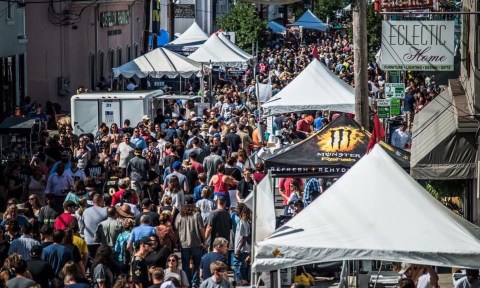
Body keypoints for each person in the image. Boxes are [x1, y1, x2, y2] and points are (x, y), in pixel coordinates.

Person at [175, 196, 205, 287]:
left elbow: (176, 228)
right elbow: (201, 228)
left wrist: (177, 241)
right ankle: (194, 283)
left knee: (185, 265)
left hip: (184, 243)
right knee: (197, 264)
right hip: (196, 242)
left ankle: (187, 282)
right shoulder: (197, 214)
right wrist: (204, 240)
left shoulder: (180, 215)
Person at [79, 194, 107, 260]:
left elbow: (82, 225)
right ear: (100, 201)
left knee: (91, 260)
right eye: (103, 201)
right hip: (100, 242)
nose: (104, 203)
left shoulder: (85, 211)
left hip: (88, 241)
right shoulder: (105, 211)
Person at [233, 204, 251, 284]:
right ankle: (242, 281)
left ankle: (240, 282)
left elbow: (244, 238)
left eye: (237, 210)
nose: (235, 211)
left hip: (241, 249)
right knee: (242, 266)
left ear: (240, 212)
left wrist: (238, 249)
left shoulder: (243, 223)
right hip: (244, 249)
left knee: (239, 266)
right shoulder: (245, 222)